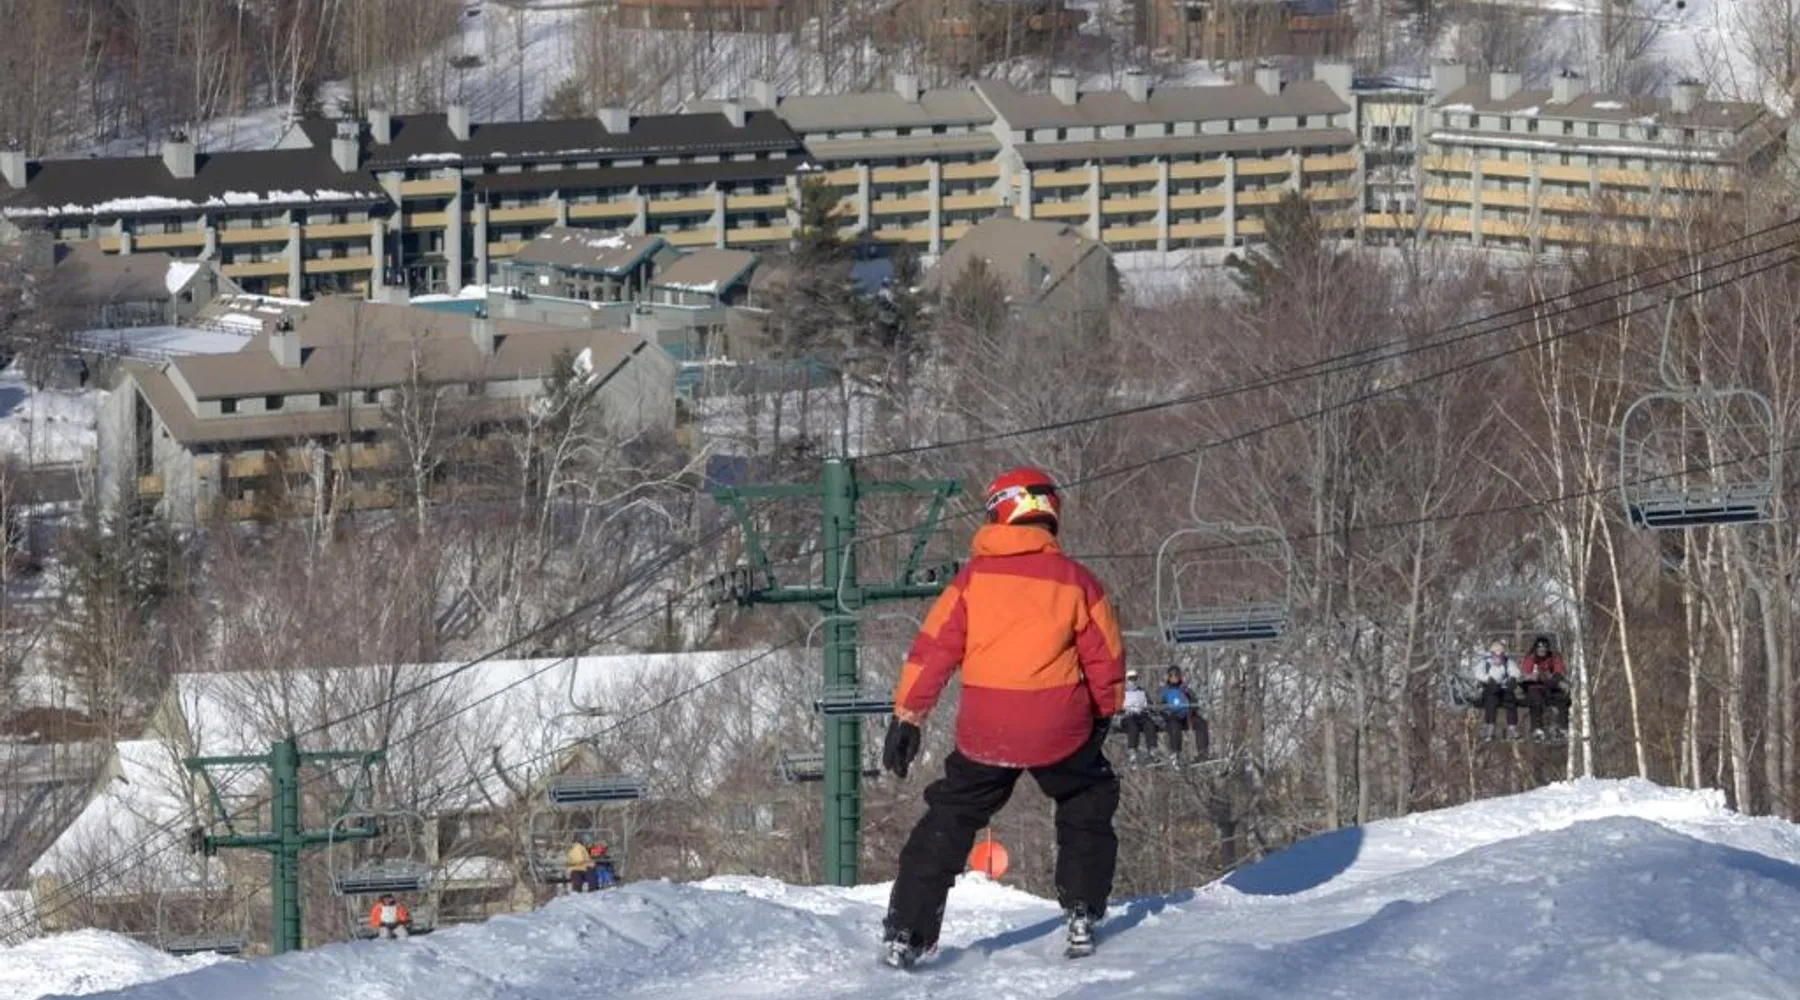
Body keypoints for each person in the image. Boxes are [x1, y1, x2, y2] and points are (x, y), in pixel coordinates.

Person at [878, 466, 1126, 969]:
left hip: (987, 731)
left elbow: (933, 651)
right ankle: (1082, 909)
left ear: (999, 512)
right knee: (1086, 797)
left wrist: (908, 718)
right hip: (1059, 727)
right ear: (1049, 513)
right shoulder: (1077, 582)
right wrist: (1103, 713)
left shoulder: (971, 582)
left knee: (951, 814)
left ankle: (907, 930)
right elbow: (1106, 658)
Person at [1518, 634, 1570, 742]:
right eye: (1540, 648)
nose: (1542, 650)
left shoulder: (1553, 658)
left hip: (1551, 686)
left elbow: (1559, 671)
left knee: (1562, 698)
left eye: (1544, 648)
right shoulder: (1530, 659)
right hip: (1535, 687)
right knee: (1536, 699)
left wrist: (1555, 677)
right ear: (1536, 648)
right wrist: (1532, 676)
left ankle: (1562, 727)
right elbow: (1524, 674)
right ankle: (1537, 728)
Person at [1158, 666, 1210, 766]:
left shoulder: (1185, 689)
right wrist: (1166, 713)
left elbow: (1194, 701)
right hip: (1172, 717)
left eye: (1176, 675)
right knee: (1174, 726)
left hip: (1187, 717)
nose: (1174, 678)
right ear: (1168, 677)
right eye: (1171, 676)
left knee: (1201, 723)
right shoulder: (1165, 691)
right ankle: (1176, 753)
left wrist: (1191, 708)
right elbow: (1159, 705)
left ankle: (1202, 752)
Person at [1472, 640, 1521, 742]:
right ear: (1492, 654)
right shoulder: (1485, 662)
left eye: (1500, 655)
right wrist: (1488, 679)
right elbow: (1478, 673)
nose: (1498, 658)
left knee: (1510, 700)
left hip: (1503, 688)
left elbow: (1515, 671)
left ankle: (1512, 727)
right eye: (1496, 655)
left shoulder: (1507, 662)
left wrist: (1512, 678)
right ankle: (1490, 727)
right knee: (1490, 702)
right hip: (1490, 688)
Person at [1119, 669, 1155, 766]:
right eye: (1131, 678)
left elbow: (1149, 704)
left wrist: (1148, 708)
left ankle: (1152, 750)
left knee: (1149, 723)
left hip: (1141, 714)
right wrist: (1123, 709)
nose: (1133, 681)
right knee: (1133, 726)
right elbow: (1117, 706)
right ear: (1127, 679)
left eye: (1135, 678)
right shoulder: (1122, 691)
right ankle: (1132, 751)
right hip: (1128, 715)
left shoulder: (1141, 691)